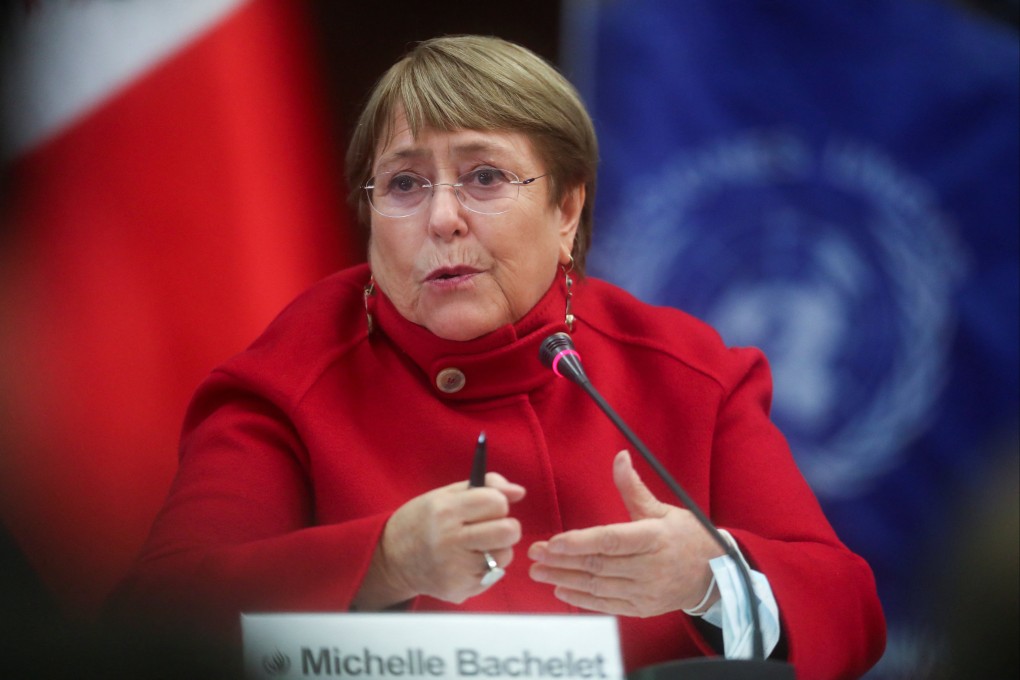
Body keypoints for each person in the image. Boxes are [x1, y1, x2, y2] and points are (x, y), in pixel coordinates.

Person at [107, 35, 886, 678]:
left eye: (484, 177)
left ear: (567, 208)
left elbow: (851, 612)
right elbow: (152, 626)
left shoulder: (687, 370)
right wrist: (384, 561)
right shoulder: (289, 380)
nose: (443, 218)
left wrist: (708, 578)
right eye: (405, 184)